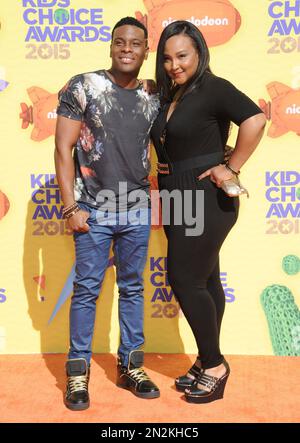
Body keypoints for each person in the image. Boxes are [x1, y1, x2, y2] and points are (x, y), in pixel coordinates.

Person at [151, 21, 266, 403]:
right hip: (176, 195)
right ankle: (205, 358)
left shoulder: (214, 87)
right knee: (206, 278)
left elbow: (256, 118)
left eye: (182, 55)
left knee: (184, 279)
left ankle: (215, 365)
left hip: (205, 197)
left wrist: (231, 166)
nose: (174, 65)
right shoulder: (173, 95)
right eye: (167, 58)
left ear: (199, 52)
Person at [55, 16, 160, 411]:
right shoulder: (83, 85)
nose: (127, 49)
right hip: (91, 211)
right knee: (86, 291)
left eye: (135, 43)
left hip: (136, 210)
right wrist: (70, 207)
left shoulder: (154, 94)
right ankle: (77, 374)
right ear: (111, 46)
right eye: (120, 42)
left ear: (146, 50)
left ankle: (131, 366)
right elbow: (62, 148)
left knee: (133, 289)